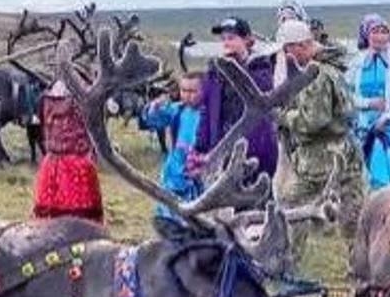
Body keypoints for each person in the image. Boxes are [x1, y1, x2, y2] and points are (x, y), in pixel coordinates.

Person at [274, 19, 366, 241]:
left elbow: (313, 121)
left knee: (290, 207)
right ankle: (358, 265)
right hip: (344, 151)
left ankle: (288, 260)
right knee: (352, 213)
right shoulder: (329, 68)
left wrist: (283, 117)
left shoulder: (316, 76)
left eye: (287, 49)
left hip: (321, 156)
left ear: (301, 46)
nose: (285, 56)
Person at [192, 16, 280, 184]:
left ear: (247, 40)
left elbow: (263, 92)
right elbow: (206, 113)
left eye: (232, 38)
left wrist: (237, 69)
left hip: (255, 154)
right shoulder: (214, 73)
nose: (226, 43)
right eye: (223, 39)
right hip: (221, 151)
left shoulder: (260, 69)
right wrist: (199, 148)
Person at [347, 14, 390, 191]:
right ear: (366, 35)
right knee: (368, 179)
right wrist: (368, 103)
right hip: (363, 129)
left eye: (384, 31)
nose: (380, 36)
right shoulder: (356, 63)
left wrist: (388, 116)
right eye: (375, 31)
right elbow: (345, 95)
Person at [31, 75, 105, 223]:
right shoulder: (85, 98)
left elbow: (39, 129)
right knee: (82, 220)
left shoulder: (45, 99)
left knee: (48, 219)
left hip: (52, 163)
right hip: (78, 165)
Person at [140, 71, 204, 229]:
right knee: (167, 218)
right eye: (184, 91)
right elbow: (153, 120)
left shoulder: (208, 115)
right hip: (173, 173)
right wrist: (154, 108)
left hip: (196, 177)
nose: (187, 95)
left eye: (192, 91)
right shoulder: (178, 110)